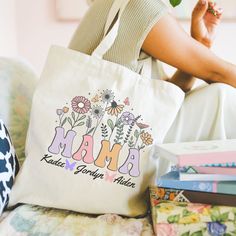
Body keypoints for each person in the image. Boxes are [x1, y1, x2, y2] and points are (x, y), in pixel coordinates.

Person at [69, 0, 236, 144]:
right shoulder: (137, 6)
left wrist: (200, 45)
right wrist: (202, 57)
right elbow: (219, 73)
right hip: (125, 146)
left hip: (115, 141)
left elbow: (161, 103)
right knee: (224, 96)